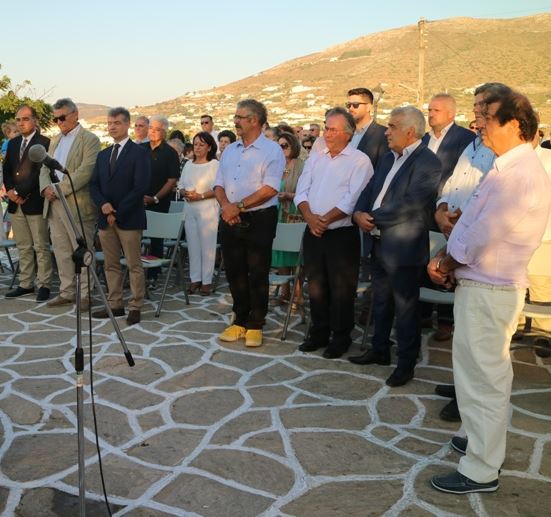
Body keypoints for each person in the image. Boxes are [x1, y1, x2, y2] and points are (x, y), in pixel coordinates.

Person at [429, 90, 551, 494]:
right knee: (473, 373)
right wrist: (448, 256)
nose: (479, 125)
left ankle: (481, 469)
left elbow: (483, 234)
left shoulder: (520, 174)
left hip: (490, 288)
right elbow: (470, 222)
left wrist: (445, 264)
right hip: (480, 283)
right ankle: (474, 437)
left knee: (484, 379)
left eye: (487, 118)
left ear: (514, 124)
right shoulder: (505, 167)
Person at [432, 83, 510, 422]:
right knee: (464, 331)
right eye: (475, 106)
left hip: (479, 249)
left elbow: (486, 197)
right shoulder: (473, 143)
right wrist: (441, 210)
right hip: (454, 231)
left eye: (482, 107)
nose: (476, 113)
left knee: (479, 337)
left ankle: (469, 399)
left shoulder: (502, 150)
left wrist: (461, 220)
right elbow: (453, 183)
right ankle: (460, 384)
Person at [349, 106, 442, 387]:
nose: (387, 132)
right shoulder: (389, 158)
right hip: (378, 242)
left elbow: (411, 204)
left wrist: (371, 218)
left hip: (403, 248)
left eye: (392, 127)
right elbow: (370, 189)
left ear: (410, 131)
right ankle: (379, 350)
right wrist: (357, 213)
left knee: (405, 309)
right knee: (380, 302)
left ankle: (405, 364)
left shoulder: (429, 162)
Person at [295, 107, 373, 359]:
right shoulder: (316, 157)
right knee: (316, 286)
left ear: (348, 134)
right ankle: (319, 333)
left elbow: (352, 199)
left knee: (341, 288)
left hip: (341, 235)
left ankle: (340, 337)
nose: (327, 134)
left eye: (333, 130)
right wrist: (310, 218)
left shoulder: (359, 161)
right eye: (326, 128)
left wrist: (325, 220)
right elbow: (301, 191)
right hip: (313, 231)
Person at [214, 99, 285, 348]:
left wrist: (239, 206)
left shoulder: (272, 150)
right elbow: (219, 184)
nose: (235, 121)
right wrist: (227, 207)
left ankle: (256, 323)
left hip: (259, 218)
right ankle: (239, 319)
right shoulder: (230, 150)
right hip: (230, 217)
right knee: (234, 271)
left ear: (254, 120)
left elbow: (270, 189)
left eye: (239, 117)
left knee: (257, 272)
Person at [421, 93, 476, 341]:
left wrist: (444, 208)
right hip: (422, 212)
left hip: (449, 212)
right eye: (429, 110)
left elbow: (459, 177)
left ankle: (446, 320)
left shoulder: (465, 139)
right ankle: (424, 313)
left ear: (451, 113)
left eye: (436, 110)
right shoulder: (424, 139)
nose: (431, 114)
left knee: (446, 260)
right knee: (425, 259)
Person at [89, 107, 151, 325]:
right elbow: (94, 185)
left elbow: (140, 186)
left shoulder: (139, 153)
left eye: (116, 123)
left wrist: (117, 211)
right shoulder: (103, 155)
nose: (112, 127)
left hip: (129, 218)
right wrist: (104, 205)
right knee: (111, 264)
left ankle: (135, 306)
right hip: (105, 219)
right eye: (109, 123)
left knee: (134, 264)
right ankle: (115, 304)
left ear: (127, 124)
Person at [39, 98, 101, 311]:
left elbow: (85, 171)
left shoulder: (90, 139)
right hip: (53, 203)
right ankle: (67, 292)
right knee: (61, 249)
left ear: (75, 114)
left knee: (82, 250)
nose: (59, 122)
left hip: (76, 203)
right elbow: (44, 168)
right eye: (55, 119)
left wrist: (58, 189)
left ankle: (85, 294)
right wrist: (45, 188)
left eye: (62, 117)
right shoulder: (55, 140)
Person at [2, 105, 52, 301]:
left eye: (25, 119)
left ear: (35, 120)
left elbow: (40, 172)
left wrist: (20, 192)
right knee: (23, 246)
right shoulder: (13, 143)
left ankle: (44, 284)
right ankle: (26, 283)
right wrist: (11, 191)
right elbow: (7, 169)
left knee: (40, 246)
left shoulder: (44, 142)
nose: (21, 123)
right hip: (16, 204)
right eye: (18, 119)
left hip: (34, 202)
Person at [177, 132, 219, 296]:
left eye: (202, 145)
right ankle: (195, 279)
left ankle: (206, 281)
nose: (198, 148)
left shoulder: (214, 164)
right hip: (190, 209)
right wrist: (184, 192)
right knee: (193, 245)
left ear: (209, 147)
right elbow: (180, 184)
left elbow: (218, 188)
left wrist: (200, 196)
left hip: (207, 209)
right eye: (195, 144)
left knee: (207, 246)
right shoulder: (188, 164)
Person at [141, 115, 180, 287]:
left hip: (159, 202)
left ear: (164, 132)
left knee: (156, 240)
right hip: (139, 201)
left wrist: (155, 198)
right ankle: (135, 273)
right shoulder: (140, 149)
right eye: (150, 128)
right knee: (135, 238)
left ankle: (153, 276)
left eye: (157, 129)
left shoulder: (170, 153)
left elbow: (172, 180)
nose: (152, 132)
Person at [271, 131, 306, 304]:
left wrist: (289, 196)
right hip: (278, 213)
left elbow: (306, 191)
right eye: (279, 146)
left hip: (295, 213)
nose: (282, 148)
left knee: (296, 253)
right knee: (281, 252)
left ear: (293, 146)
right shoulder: (276, 165)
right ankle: (285, 292)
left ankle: (298, 293)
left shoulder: (301, 166)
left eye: (285, 145)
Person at [346, 87, 389, 169]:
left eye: (355, 105)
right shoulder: (345, 133)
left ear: (368, 107)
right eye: (348, 105)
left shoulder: (383, 135)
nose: (350, 109)